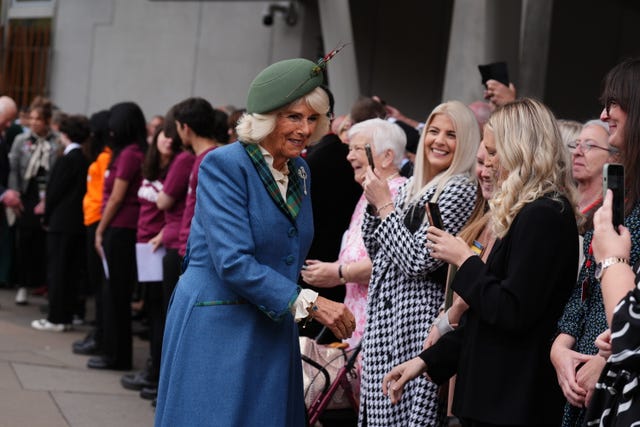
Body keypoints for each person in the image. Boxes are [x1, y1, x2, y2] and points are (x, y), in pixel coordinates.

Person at [155, 58, 355, 426]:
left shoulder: (300, 169)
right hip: (219, 321)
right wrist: (310, 302)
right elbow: (232, 261)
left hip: (271, 321)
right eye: (294, 117)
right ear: (266, 117)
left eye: (313, 119)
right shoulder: (224, 164)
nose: (305, 129)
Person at [383, 98, 580, 426]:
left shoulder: (545, 215)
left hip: (512, 402)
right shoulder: (527, 211)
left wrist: (464, 259)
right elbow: (484, 317)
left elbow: (511, 310)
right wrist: (426, 361)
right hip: (494, 399)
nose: (486, 164)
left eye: (492, 151)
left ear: (518, 151)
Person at [358, 101, 479, 426]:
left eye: (451, 135)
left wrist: (384, 204)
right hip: (384, 326)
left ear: (466, 142)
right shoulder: (412, 185)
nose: (439, 140)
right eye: (434, 131)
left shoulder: (461, 189)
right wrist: (375, 204)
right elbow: (376, 249)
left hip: (416, 329)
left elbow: (417, 260)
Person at [301, 117, 407, 351]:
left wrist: (338, 272)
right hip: (358, 328)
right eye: (350, 149)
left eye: (357, 149)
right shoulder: (368, 193)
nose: (349, 157)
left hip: (379, 331)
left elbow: (391, 261)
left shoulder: (398, 195)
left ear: (387, 156)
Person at [550, 119, 623, 426]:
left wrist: (605, 359)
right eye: (576, 144)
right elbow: (582, 292)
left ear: (615, 157)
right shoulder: (592, 214)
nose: (578, 152)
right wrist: (559, 348)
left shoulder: (624, 213)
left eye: (590, 145)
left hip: (613, 366)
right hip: (577, 363)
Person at [584, 56, 640, 426]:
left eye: (613, 103)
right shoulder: (628, 189)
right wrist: (561, 345)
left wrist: (614, 263)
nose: (604, 114)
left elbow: (632, 328)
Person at [298, 86, 362, 342]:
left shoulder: (311, 165)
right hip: (334, 282)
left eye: (310, 118)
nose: (300, 127)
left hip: (315, 280)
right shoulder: (339, 158)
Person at [88, 102, 146, 371]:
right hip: (121, 229)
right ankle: (112, 351)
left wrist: (100, 230)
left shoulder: (129, 155)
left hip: (121, 229)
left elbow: (117, 197)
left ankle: (117, 356)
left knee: (116, 294)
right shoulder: (129, 153)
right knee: (113, 292)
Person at [31, 115, 90, 331]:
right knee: (70, 271)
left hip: (61, 223)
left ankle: (56, 317)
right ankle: (67, 314)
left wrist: (46, 215)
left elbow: (54, 191)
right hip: (77, 223)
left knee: (57, 271)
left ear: (64, 133)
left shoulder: (67, 159)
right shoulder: (84, 159)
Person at [9, 97, 59, 305]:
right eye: (31, 118)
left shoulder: (55, 143)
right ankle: (22, 285)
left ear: (47, 120)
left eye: (38, 118)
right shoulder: (22, 140)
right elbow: (14, 168)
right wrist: (14, 192)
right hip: (27, 194)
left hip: (47, 195)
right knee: (24, 241)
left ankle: (42, 284)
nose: (34, 122)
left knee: (43, 243)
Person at [73, 110, 111, 355]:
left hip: (98, 221)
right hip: (92, 219)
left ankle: (101, 334)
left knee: (100, 283)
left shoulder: (107, 157)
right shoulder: (101, 156)